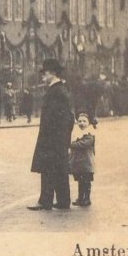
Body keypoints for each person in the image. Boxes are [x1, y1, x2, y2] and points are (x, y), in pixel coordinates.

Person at [28, 59, 75, 211]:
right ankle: (63, 200)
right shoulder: (60, 90)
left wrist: (51, 137)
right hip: (59, 138)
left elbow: (57, 118)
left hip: (52, 138)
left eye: (45, 73)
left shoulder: (56, 92)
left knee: (48, 168)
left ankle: (45, 201)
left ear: (53, 73)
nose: (42, 76)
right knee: (60, 168)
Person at [69, 112, 96, 207]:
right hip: (79, 163)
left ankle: (87, 198)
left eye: (84, 121)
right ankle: (80, 198)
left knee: (86, 181)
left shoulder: (90, 134)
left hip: (87, 163)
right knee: (80, 182)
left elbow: (84, 144)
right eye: (79, 121)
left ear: (89, 123)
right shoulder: (77, 133)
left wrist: (72, 145)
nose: (82, 123)